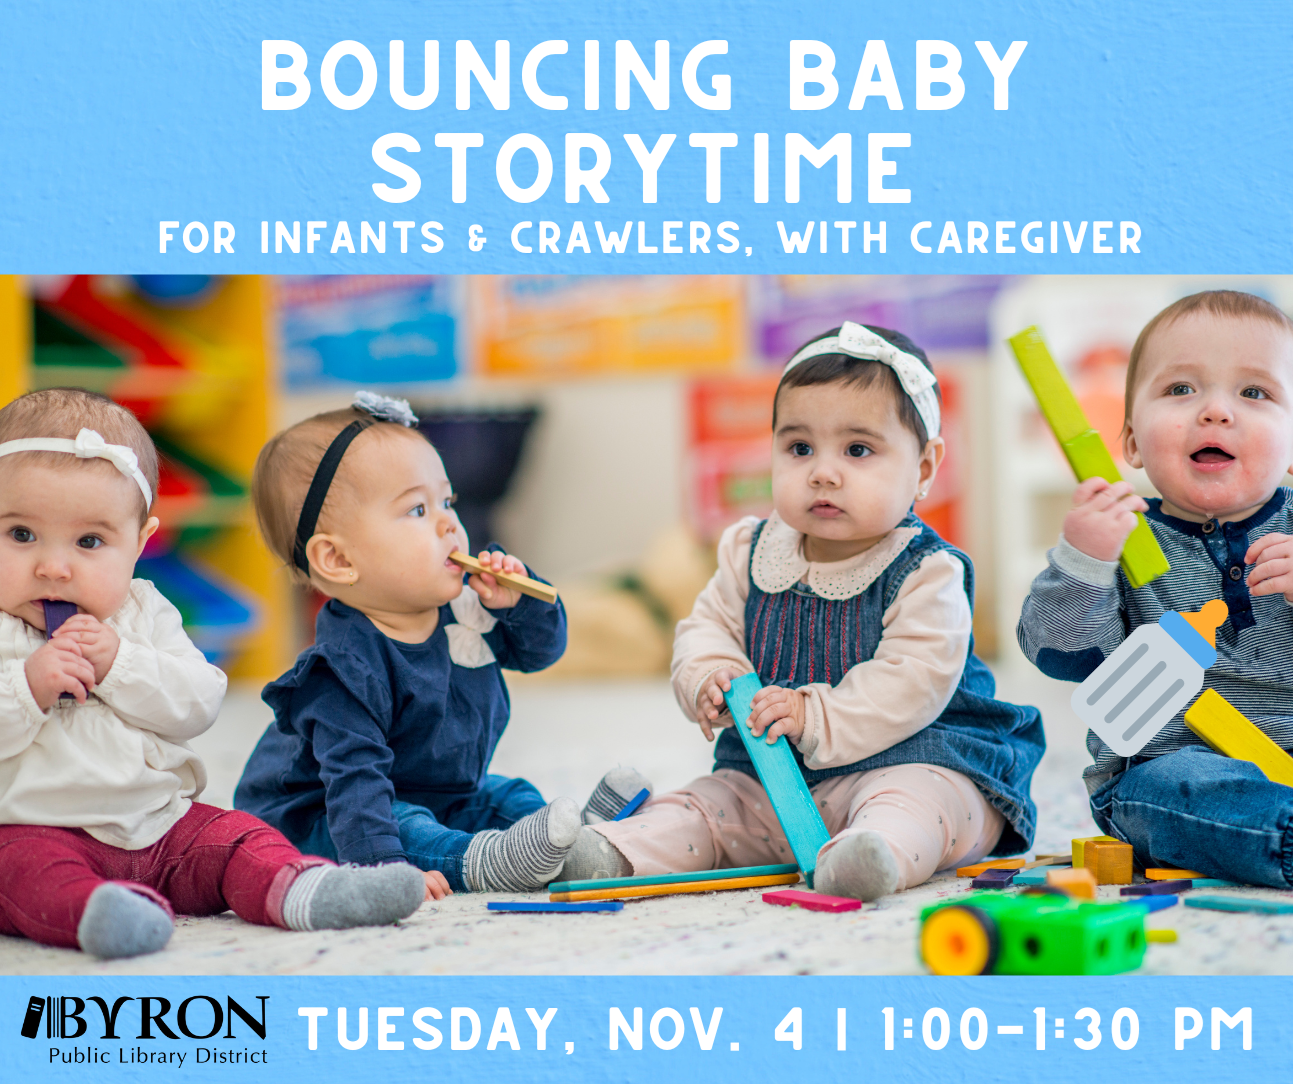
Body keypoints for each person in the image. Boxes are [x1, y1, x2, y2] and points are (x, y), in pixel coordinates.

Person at [560, 323, 1045, 900]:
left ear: (923, 468)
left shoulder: (926, 571)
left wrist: (812, 714)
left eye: (858, 450)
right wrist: (707, 675)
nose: (823, 471)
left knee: (931, 805)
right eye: (799, 448)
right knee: (707, 806)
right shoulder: (750, 551)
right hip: (769, 781)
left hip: (912, 760)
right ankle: (621, 851)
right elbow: (705, 627)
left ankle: (872, 855)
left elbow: (913, 682)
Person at [0, 388, 423, 959]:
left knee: (236, 836)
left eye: (90, 541)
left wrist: (119, 664)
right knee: (21, 874)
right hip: (32, 829)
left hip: (159, 824)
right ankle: (99, 915)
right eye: (21, 535)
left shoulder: (144, 613)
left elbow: (197, 703)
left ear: (140, 543)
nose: (53, 566)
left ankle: (299, 889)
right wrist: (28, 685)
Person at [235, 393, 649, 896]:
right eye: (416, 509)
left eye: (447, 502)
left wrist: (518, 606)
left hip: (445, 792)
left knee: (511, 797)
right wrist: (385, 872)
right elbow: (355, 784)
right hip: (332, 817)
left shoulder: (466, 606)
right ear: (339, 561)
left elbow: (541, 653)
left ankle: (579, 842)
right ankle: (484, 863)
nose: (449, 523)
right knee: (405, 825)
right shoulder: (340, 672)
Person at [1019, 290, 1293, 886]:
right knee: (1177, 788)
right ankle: (1282, 836)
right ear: (1133, 442)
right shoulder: (1116, 535)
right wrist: (1083, 560)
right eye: (1180, 389)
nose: (1216, 412)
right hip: (1164, 770)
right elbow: (1058, 652)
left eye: (1254, 393)